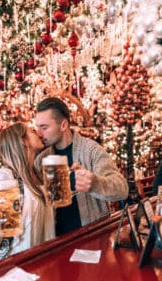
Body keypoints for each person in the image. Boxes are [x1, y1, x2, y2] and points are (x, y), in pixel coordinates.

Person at [35, 97, 128, 236]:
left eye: (44, 127)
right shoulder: (41, 160)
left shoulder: (91, 150)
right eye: (37, 127)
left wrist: (95, 184)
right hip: (56, 243)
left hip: (91, 237)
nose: (39, 134)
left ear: (63, 125)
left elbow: (122, 189)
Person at [0, 122, 55, 269]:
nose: (40, 133)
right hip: (11, 268)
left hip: (37, 262)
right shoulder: (5, 178)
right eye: (33, 131)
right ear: (23, 141)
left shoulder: (38, 175)